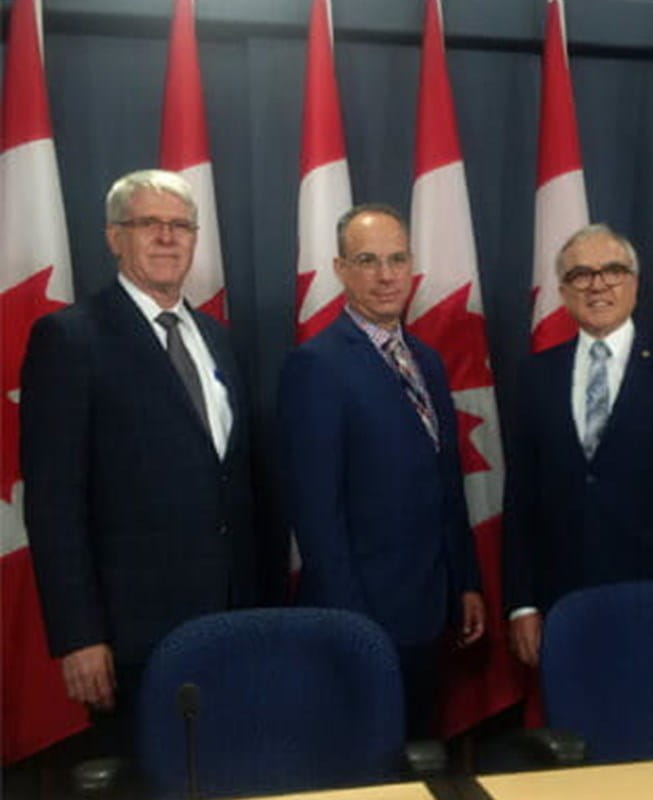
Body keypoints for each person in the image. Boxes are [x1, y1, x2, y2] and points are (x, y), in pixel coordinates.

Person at [20, 169, 260, 757]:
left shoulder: (216, 336)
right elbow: (54, 502)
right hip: (133, 634)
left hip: (233, 616)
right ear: (113, 237)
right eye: (148, 224)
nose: (167, 238)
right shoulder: (70, 338)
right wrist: (79, 636)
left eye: (180, 226)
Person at [278, 203, 485, 735]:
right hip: (364, 615)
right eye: (368, 260)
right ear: (340, 269)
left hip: (431, 607)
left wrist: (464, 581)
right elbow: (316, 512)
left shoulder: (427, 360)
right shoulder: (316, 366)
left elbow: (446, 485)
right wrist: (355, 622)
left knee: (420, 753)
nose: (387, 275)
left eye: (397, 259)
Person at [503, 223, 653, 667]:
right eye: (581, 274)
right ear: (564, 291)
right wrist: (522, 602)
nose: (598, 284)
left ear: (635, 283)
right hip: (561, 600)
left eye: (612, 270)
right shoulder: (535, 375)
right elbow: (521, 500)